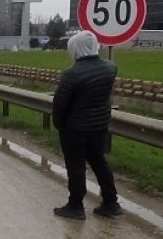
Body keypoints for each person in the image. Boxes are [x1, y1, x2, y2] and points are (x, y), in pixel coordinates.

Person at [52, 30, 122, 220]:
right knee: (99, 162)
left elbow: (60, 104)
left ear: (75, 49)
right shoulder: (109, 68)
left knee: (76, 166)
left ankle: (75, 206)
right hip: (99, 126)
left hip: (74, 129)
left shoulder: (71, 74)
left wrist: (59, 124)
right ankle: (111, 202)